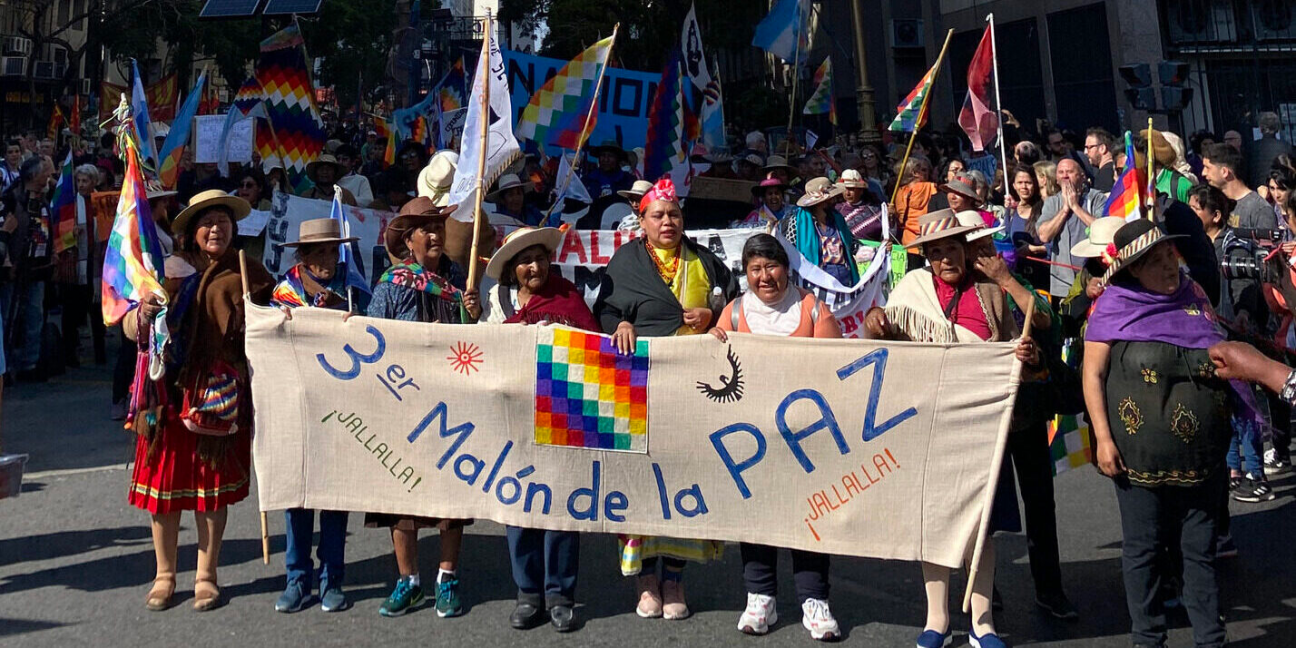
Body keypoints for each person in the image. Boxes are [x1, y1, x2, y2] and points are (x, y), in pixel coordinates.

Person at [862, 208, 1024, 648]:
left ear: (966, 250)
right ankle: (937, 620)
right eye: (936, 252)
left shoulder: (990, 292)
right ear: (927, 259)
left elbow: (1016, 338)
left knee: (981, 526)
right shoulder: (911, 291)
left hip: (983, 422)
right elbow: (887, 336)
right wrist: (876, 323)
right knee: (936, 522)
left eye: (952, 248)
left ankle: (982, 621)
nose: (945, 259)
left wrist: (1021, 355)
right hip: (932, 423)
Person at [1082, 218, 1245, 648]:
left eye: (1171, 257)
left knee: (1199, 551)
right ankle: (1148, 638)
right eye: (1156, 262)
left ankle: (1211, 638)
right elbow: (1093, 375)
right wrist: (1102, 438)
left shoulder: (1194, 296)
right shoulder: (1113, 307)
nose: (1170, 268)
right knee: (1144, 551)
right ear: (1133, 269)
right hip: (1138, 460)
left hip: (1202, 458)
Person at [594, 177, 736, 620]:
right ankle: (646, 579)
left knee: (683, 479)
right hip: (640, 388)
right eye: (658, 215)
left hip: (692, 393)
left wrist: (713, 314)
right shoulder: (626, 261)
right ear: (643, 221)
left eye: (674, 214)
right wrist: (619, 324)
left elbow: (733, 302)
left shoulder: (704, 261)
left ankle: (674, 577)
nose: (668, 222)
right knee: (641, 482)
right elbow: (606, 309)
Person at [128, 190, 275, 612]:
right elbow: (127, 326)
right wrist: (141, 316)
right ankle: (165, 574)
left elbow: (277, 323)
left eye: (224, 222)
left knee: (211, 491)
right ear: (192, 231)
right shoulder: (166, 270)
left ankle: (206, 576)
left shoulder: (249, 271)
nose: (216, 229)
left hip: (221, 398)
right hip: (168, 396)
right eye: (208, 222)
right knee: (164, 489)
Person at [708, 234, 842, 642]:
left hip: (806, 440)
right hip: (753, 440)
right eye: (755, 269)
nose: (764, 277)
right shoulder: (732, 314)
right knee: (757, 517)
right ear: (745, 274)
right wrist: (710, 345)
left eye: (771, 266)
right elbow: (714, 376)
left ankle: (814, 601)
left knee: (810, 517)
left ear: (786, 267)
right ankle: (760, 597)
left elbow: (833, 375)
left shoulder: (814, 310)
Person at [366, 197, 481, 618]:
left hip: (451, 403)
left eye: (437, 227)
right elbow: (371, 338)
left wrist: (471, 316)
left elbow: (478, 347)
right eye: (424, 229)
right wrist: (418, 339)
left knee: (451, 494)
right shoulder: (391, 285)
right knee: (403, 493)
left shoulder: (460, 282)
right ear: (409, 240)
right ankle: (408, 580)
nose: (434, 234)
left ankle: (447, 576)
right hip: (402, 402)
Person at [480, 227, 595, 632]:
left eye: (540, 258)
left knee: (561, 503)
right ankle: (528, 592)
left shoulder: (568, 297)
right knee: (520, 503)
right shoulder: (497, 302)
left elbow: (591, 343)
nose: (534, 267)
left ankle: (561, 594)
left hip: (562, 411)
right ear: (513, 269)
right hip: (513, 414)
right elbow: (483, 350)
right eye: (525, 261)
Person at [270, 218, 367, 614]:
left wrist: (354, 323)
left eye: (332, 251)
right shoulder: (284, 294)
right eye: (319, 252)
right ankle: (296, 577)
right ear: (303, 256)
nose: (328, 259)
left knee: (334, 496)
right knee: (297, 496)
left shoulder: (350, 290)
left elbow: (369, 337)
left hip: (340, 407)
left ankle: (332, 578)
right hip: (297, 407)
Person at [0, 156, 54, 381]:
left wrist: (52, 254)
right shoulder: (11, 199)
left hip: (38, 268)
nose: (48, 177)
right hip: (14, 270)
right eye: (45, 173)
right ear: (33, 175)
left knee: (35, 315)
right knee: (9, 317)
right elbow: (6, 231)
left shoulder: (43, 200)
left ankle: (30, 364)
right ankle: (8, 365)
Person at [1037, 158, 1107, 299]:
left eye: (1069, 172)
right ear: (1056, 179)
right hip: (1062, 283)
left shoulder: (1097, 198)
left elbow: (1103, 230)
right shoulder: (1052, 202)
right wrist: (1065, 209)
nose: (1065, 176)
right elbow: (1044, 236)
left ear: (1082, 176)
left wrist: (1075, 206)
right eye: (1061, 172)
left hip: (1093, 277)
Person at [62, 163, 107, 367]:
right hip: (76, 263)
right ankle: (70, 354)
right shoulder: (70, 204)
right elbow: (61, 232)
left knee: (97, 309)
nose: (81, 185)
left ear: (94, 182)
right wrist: (70, 234)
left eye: (85, 181)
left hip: (97, 262)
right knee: (72, 308)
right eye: (78, 181)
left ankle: (100, 353)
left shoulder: (102, 201)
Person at [779, 177, 859, 286]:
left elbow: (852, 243)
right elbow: (789, 252)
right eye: (831, 198)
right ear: (821, 202)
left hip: (843, 285)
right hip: (813, 287)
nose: (835, 200)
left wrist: (875, 251)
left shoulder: (837, 219)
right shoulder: (797, 222)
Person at [1202, 142, 1276, 232]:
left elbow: (1267, 244)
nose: (1203, 173)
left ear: (1225, 172)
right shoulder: (1216, 206)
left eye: (1207, 167)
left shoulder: (1259, 209)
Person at [1007, 165, 1049, 290]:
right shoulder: (1010, 211)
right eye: (1020, 183)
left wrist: (1032, 249)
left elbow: (1054, 246)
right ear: (1014, 185)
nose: (1024, 187)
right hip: (1016, 276)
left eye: (1028, 183)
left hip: (1040, 276)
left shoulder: (1044, 209)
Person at [893, 156, 938, 246]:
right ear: (915, 173)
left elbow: (900, 219)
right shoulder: (932, 187)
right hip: (928, 238)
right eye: (923, 170)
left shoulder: (898, 193)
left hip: (908, 240)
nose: (927, 174)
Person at [836, 169, 884, 242]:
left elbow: (888, 235)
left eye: (851, 189)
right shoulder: (837, 210)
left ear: (861, 191)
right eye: (845, 189)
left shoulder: (875, 210)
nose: (847, 193)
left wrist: (891, 218)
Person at [1249, 112, 1292, 190]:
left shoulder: (1252, 147)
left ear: (1261, 129)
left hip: (1258, 191)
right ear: (1278, 128)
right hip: (1281, 188)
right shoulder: (1287, 146)